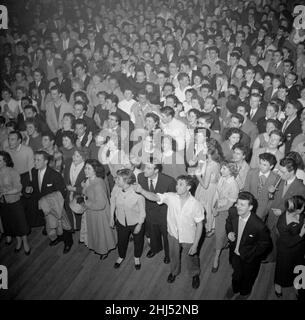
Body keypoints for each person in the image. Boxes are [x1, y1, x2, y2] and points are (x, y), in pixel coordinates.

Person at [135, 175, 205, 289]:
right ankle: (174, 272)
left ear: (188, 187)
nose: (177, 186)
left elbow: (200, 225)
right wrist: (142, 191)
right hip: (173, 235)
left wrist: (196, 244)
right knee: (174, 255)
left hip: (189, 237)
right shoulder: (171, 197)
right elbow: (155, 197)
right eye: (177, 184)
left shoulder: (196, 204)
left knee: (191, 257)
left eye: (181, 184)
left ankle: (195, 274)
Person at [225, 191, 273, 300]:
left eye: (242, 205)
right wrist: (229, 232)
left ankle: (244, 293)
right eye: (237, 203)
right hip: (235, 254)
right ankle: (235, 288)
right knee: (236, 274)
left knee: (247, 278)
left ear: (250, 207)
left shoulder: (259, 226)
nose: (238, 207)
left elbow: (266, 244)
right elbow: (228, 223)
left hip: (250, 258)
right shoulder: (233, 212)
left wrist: (252, 254)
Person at [29, 150, 73, 254]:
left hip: (57, 206)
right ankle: (59, 237)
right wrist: (29, 189)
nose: (35, 162)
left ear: (45, 162)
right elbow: (35, 187)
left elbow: (62, 193)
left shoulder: (54, 175)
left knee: (64, 224)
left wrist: (51, 203)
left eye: (38, 160)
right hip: (45, 208)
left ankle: (68, 242)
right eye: (34, 160)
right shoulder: (34, 171)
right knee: (51, 224)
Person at [266, 158, 305, 262]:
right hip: (272, 217)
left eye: (282, 171)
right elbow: (271, 199)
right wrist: (270, 193)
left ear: (291, 171)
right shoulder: (279, 179)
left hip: (285, 222)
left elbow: (298, 210)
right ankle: (271, 257)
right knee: (271, 239)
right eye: (279, 170)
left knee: (281, 244)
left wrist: (283, 212)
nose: (279, 173)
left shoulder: (300, 188)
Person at [137, 160, 176, 264]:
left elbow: (174, 200)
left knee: (167, 237)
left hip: (165, 215)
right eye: (145, 167)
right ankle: (155, 249)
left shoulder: (169, 181)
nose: (144, 169)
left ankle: (168, 255)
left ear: (156, 170)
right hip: (149, 213)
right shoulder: (140, 177)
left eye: (148, 168)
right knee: (153, 234)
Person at [80, 159, 116, 259]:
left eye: (89, 168)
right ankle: (98, 247)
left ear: (95, 170)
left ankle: (103, 251)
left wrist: (86, 203)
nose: (86, 171)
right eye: (85, 168)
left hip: (100, 214)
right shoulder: (89, 180)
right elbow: (85, 192)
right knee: (95, 232)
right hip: (92, 212)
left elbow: (101, 204)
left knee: (101, 233)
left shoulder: (98, 184)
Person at [110, 169, 146, 270]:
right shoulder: (116, 189)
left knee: (138, 241)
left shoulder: (138, 193)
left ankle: (137, 257)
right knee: (121, 241)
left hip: (136, 222)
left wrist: (139, 224)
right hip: (121, 221)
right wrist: (111, 217)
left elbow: (142, 212)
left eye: (118, 179)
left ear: (126, 181)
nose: (115, 180)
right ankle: (121, 256)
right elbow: (112, 202)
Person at [274, 195, 305, 298]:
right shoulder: (282, 223)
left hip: (299, 248)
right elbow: (288, 242)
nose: (304, 208)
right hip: (286, 250)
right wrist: (301, 233)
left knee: (299, 267)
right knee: (282, 269)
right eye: (303, 207)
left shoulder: (301, 214)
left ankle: (298, 285)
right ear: (297, 209)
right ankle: (278, 284)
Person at [211, 161, 239, 273]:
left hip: (225, 212)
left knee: (219, 234)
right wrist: (214, 205)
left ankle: (216, 258)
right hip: (218, 207)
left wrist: (217, 210)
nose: (221, 170)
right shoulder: (222, 178)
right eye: (222, 168)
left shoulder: (234, 186)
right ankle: (225, 243)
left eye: (224, 169)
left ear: (231, 171)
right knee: (220, 233)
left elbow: (229, 205)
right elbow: (217, 193)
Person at [0, 151, 31, 254]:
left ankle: (25, 242)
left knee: (20, 223)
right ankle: (18, 241)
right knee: (11, 223)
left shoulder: (12, 172)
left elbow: (18, 188)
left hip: (15, 202)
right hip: (3, 203)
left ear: (5, 161)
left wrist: (5, 192)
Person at [195, 138, 222, 238]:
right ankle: (209, 227)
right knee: (208, 208)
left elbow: (205, 185)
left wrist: (197, 176)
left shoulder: (211, 165)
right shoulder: (213, 161)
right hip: (211, 187)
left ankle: (208, 228)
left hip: (207, 189)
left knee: (207, 209)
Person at [243, 153, 280, 221]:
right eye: (260, 163)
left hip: (263, 209)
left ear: (271, 166)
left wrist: (266, 210)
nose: (261, 166)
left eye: (264, 165)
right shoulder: (251, 172)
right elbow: (246, 189)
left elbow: (273, 198)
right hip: (248, 205)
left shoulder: (276, 178)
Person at [63, 147, 87, 232]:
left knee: (78, 213)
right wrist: (66, 186)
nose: (73, 157)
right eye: (74, 155)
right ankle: (71, 227)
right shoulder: (69, 162)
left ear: (83, 158)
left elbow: (87, 187)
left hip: (79, 195)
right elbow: (65, 177)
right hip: (68, 193)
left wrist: (74, 189)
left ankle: (80, 229)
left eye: (77, 156)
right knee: (68, 210)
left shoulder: (86, 169)